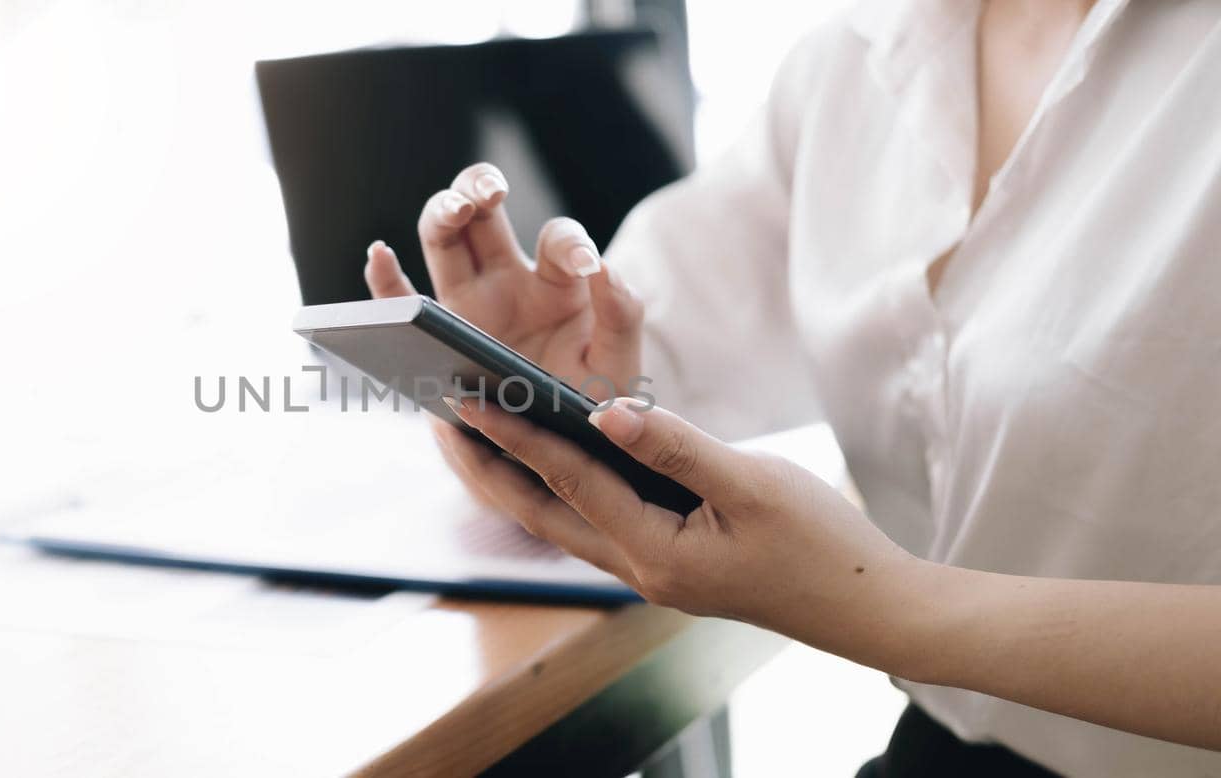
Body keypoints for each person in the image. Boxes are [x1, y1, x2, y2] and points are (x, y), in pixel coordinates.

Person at [362, 1, 1221, 776]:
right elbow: (656, 340)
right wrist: (535, 378)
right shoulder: (856, 57)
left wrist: (890, 609)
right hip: (947, 752)